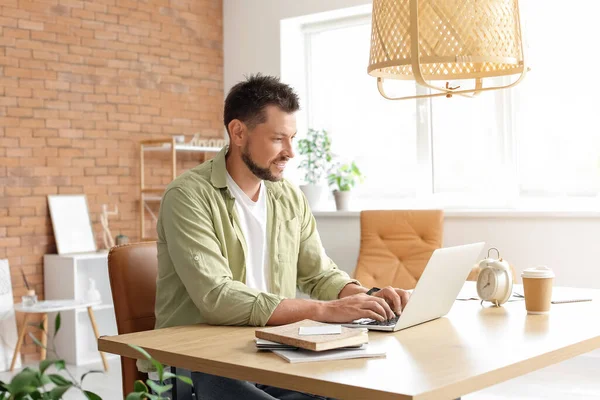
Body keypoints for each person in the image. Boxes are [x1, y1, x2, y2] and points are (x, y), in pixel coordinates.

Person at [153, 74, 410, 399]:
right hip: (201, 361)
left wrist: (364, 298)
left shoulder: (288, 195)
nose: (290, 151)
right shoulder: (188, 196)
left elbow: (318, 273)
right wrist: (323, 310)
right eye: (278, 139)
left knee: (365, 388)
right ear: (238, 132)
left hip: (274, 349)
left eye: (292, 138)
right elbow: (217, 298)